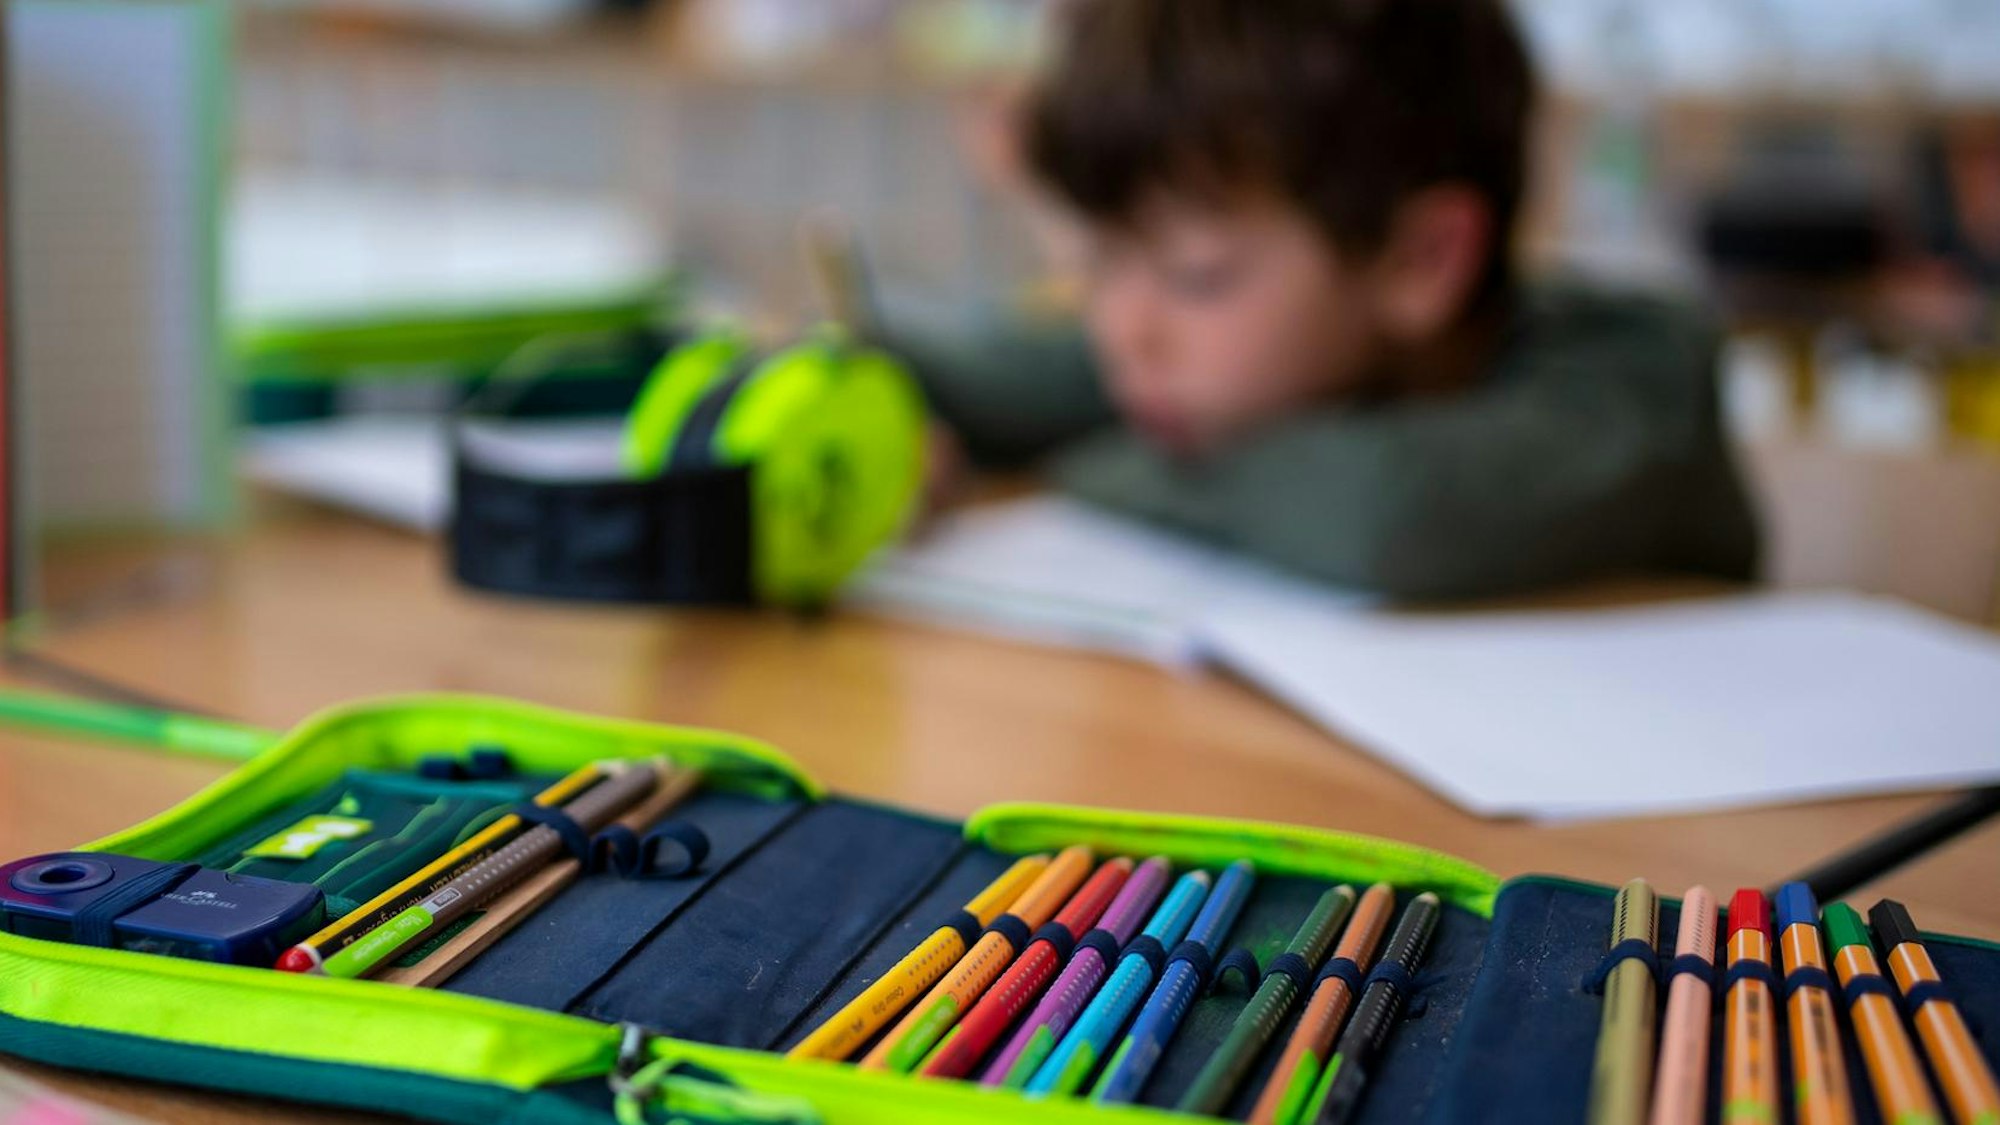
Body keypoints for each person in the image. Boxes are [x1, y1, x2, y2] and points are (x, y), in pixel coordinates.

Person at [895, 0, 1760, 600]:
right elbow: (946, 372)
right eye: (1104, 260)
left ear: (1421, 259)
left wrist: (1069, 472)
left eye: (1198, 272)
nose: (1124, 329)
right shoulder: (1219, 363)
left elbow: (1383, 514)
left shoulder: (1641, 382)